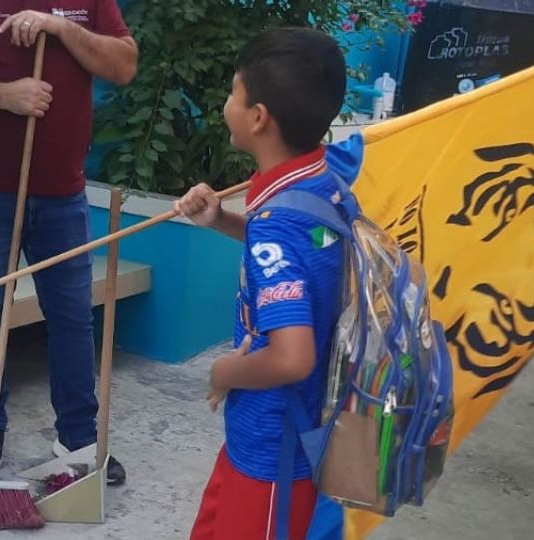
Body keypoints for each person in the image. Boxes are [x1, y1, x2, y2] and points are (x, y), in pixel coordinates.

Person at [0, 0, 138, 485]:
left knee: (74, 317)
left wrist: (59, 28)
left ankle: (78, 438)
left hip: (63, 193)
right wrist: (4, 95)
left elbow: (123, 65)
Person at [174, 28, 364, 538]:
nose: (225, 104)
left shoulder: (278, 224)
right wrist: (222, 220)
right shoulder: (322, 180)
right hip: (279, 438)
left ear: (258, 118)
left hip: (275, 453)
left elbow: (291, 357)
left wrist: (223, 372)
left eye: (234, 93)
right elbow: (298, 252)